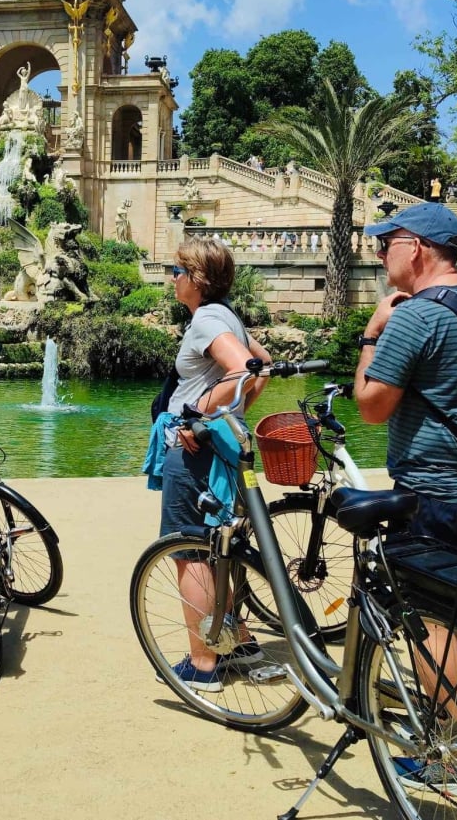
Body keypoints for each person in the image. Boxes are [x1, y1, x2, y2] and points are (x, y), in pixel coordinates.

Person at [353, 203, 457, 790]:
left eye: (385, 243)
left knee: (433, 623)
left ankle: (447, 754)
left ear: (416, 248)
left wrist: (372, 331)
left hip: (436, 492)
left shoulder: (417, 317)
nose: (378, 254)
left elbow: (370, 407)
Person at [158, 239, 272, 692]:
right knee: (219, 546)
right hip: (221, 448)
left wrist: (198, 414)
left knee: (191, 554)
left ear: (196, 279)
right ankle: (238, 640)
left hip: (196, 451)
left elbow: (243, 368)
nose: (172, 278)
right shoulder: (227, 315)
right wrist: (233, 413)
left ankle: (203, 662)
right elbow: (261, 366)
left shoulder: (207, 319)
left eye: (176, 270)